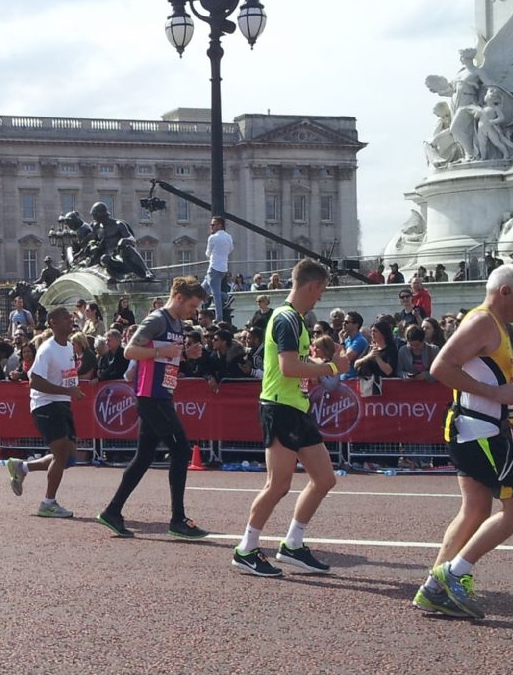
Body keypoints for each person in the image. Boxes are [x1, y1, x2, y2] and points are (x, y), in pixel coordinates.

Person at [411, 265, 513, 618]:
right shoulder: (482, 322)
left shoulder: (495, 326)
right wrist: (496, 392)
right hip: (482, 433)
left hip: (475, 429)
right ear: (505, 292)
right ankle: (454, 573)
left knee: (474, 510)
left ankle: (433, 589)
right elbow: (441, 367)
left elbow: (487, 373)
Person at [232, 259, 352, 577]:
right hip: (279, 407)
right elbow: (288, 368)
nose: (320, 298)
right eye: (321, 291)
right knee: (278, 485)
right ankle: (246, 549)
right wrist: (331, 367)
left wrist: (328, 360)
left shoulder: (296, 320)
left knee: (325, 479)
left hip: (297, 408)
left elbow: (299, 361)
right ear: (312, 286)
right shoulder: (286, 319)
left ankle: (293, 545)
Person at [95, 276, 210, 540]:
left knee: (143, 458)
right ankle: (178, 519)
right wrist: (162, 352)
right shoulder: (158, 319)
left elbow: (166, 356)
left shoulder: (178, 322)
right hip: (151, 396)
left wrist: (184, 355)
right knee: (181, 449)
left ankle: (113, 511)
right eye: (192, 306)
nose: (194, 312)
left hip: (162, 394)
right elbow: (130, 351)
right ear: (179, 298)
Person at [2, 307, 85, 518]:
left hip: (62, 404)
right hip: (46, 406)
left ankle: (22, 468)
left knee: (69, 457)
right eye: (65, 318)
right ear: (53, 322)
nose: (70, 320)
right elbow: (35, 381)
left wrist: (72, 389)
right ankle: (48, 503)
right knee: (61, 454)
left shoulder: (68, 347)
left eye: (70, 317)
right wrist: (67, 390)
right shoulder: (47, 349)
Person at [205, 217, 234, 320]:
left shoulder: (213, 238)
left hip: (214, 268)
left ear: (219, 225)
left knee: (215, 294)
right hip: (223, 268)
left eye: (213, 225)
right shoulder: (228, 237)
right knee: (202, 289)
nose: (211, 227)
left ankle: (219, 318)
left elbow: (208, 253)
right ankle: (226, 297)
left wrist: (214, 254)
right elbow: (231, 249)